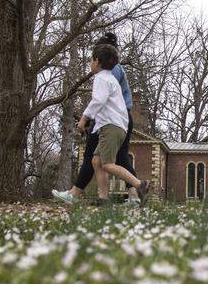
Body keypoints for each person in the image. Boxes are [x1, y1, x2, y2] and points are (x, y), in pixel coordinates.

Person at [52, 32, 140, 205]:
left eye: (93, 57)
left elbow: (101, 99)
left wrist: (86, 118)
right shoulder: (115, 67)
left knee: (97, 159)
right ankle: (128, 196)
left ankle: (77, 194)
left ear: (100, 59)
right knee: (108, 159)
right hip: (121, 119)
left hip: (110, 120)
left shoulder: (108, 72)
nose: (92, 61)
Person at [79, 43, 150, 204]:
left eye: (91, 60)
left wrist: (84, 118)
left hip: (110, 127)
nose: (90, 64)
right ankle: (103, 198)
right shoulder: (111, 79)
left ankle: (140, 184)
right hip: (118, 126)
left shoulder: (101, 78)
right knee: (96, 161)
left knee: (108, 164)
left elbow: (98, 100)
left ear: (96, 61)